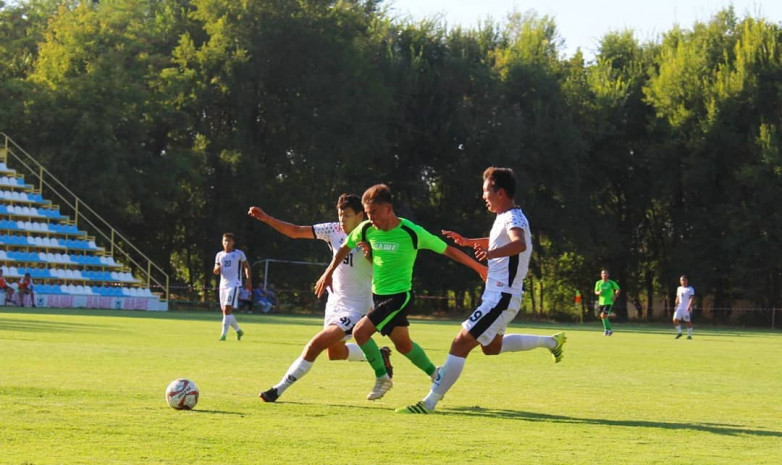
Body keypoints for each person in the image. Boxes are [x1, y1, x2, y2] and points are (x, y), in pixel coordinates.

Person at [396, 167, 566, 414]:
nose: (483, 196)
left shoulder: (514, 219)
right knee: (491, 348)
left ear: (501, 192)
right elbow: (500, 241)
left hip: (502, 296)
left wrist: (490, 254)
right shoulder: (504, 216)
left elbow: (519, 243)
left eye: (487, 191)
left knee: (460, 343)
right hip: (499, 295)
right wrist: (469, 242)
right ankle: (550, 342)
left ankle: (429, 403)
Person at [315, 184, 487, 401]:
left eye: (374, 213)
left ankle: (382, 378)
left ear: (388, 208)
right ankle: (436, 375)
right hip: (379, 297)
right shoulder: (367, 229)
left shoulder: (411, 232)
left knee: (360, 332)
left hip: (399, 297)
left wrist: (479, 268)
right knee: (404, 345)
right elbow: (345, 247)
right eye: (367, 214)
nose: (371, 218)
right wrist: (329, 272)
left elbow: (449, 250)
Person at [248, 194, 393, 402]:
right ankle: (379, 355)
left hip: (358, 307)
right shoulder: (333, 230)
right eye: (340, 214)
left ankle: (277, 390)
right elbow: (296, 231)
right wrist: (267, 218)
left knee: (315, 344)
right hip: (335, 303)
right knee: (334, 352)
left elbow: (389, 267)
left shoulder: (374, 233)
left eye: (347, 215)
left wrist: (371, 253)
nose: (342, 220)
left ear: (360, 216)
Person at [213, 233, 251, 341]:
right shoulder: (219, 255)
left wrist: (248, 279)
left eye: (229, 241)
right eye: (225, 240)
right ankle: (239, 331)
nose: (227, 243)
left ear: (233, 242)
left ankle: (223, 335)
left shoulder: (239, 254)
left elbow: (246, 266)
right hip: (222, 286)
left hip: (234, 285)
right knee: (226, 312)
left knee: (227, 310)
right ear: (222, 242)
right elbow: (215, 268)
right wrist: (216, 269)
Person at [594, 268, 620, 335]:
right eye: (603, 273)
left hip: (609, 302)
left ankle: (608, 330)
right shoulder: (598, 283)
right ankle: (608, 330)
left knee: (603, 315)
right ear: (601, 275)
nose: (604, 274)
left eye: (605, 273)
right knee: (603, 316)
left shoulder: (611, 283)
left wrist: (615, 296)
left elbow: (618, 289)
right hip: (601, 302)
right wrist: (598, 293)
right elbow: (595, 291)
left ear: (608, 275)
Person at [673, 275, 695, 339]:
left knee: (687, 321)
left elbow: (691, 298)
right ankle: (679, 332)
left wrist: (689, 306)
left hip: (686, 307)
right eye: (682, 280)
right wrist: (676, 305)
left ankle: (689, 335)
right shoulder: (679, 288)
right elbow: (677, 297)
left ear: (687, 281)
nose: (683, 281)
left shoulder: (690, 289)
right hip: (679, 307)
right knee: (675, 319)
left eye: (684, 280)